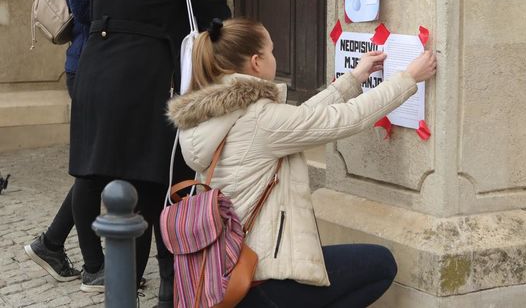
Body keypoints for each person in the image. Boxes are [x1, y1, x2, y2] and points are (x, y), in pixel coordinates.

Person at [165, 18, 437, 307]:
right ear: (256, 62)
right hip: (263, 277)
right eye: (271, 51)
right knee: (380, 265)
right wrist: (408, 78)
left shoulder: (217, 115)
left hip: (228, 272)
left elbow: (300, 120)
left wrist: (354, 79)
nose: (275, 57)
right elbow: (346, 119)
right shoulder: (260, 118)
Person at [67, 0, 230, 305]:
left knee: (130, 194)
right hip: (149, 85)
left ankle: (126, 289)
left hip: (97, 82)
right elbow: (215, 15)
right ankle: (170, 291)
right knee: (170, 189)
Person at [24, 0, 142, 287]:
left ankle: (52, 243)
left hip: (99, 64)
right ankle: (94, 265)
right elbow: (85, 8)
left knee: (98, 164)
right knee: (94, 168)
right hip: (91, 65)